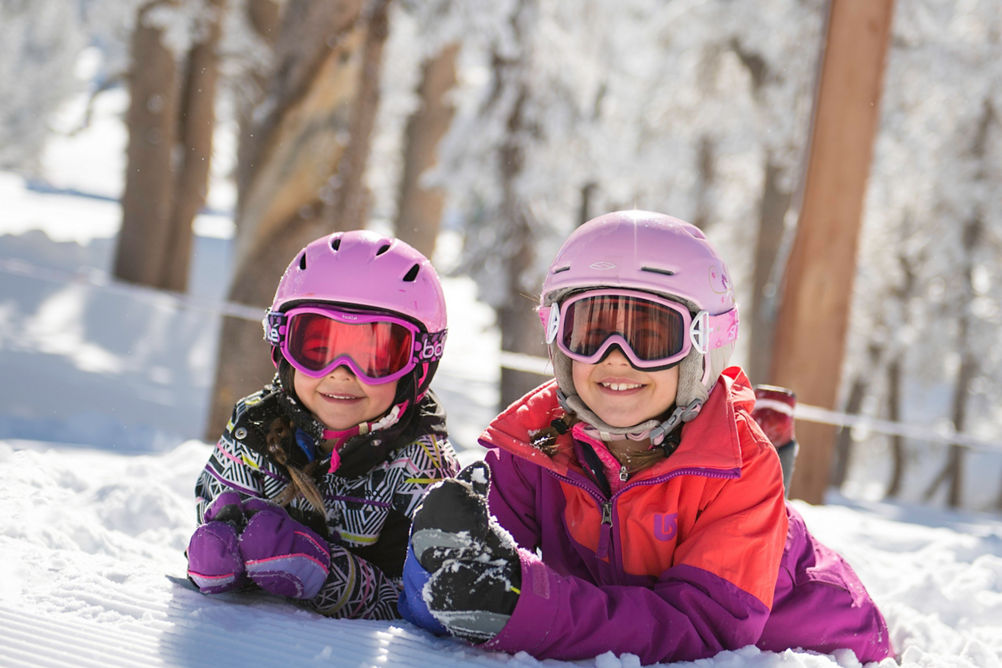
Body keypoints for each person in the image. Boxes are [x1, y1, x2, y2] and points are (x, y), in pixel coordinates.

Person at [399, 211, 893, 663]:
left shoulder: (739, 469)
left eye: (651, 336)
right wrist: (442, 570)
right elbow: (459, 582)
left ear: (703, 346)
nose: (616, 357)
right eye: (591, 333)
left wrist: (524, 601)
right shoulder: (535, 444)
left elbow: (702, 629)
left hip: (821, 646)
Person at [186, 230, 460, 619]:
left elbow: (423, 605)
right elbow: (216, 535)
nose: (341, 373)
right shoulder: (255, 431)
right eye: (318, 348)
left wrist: (324, 572)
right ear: (282, 345)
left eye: (375, 355)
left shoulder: (423, 466)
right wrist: (219, 558)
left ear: (419, 363)